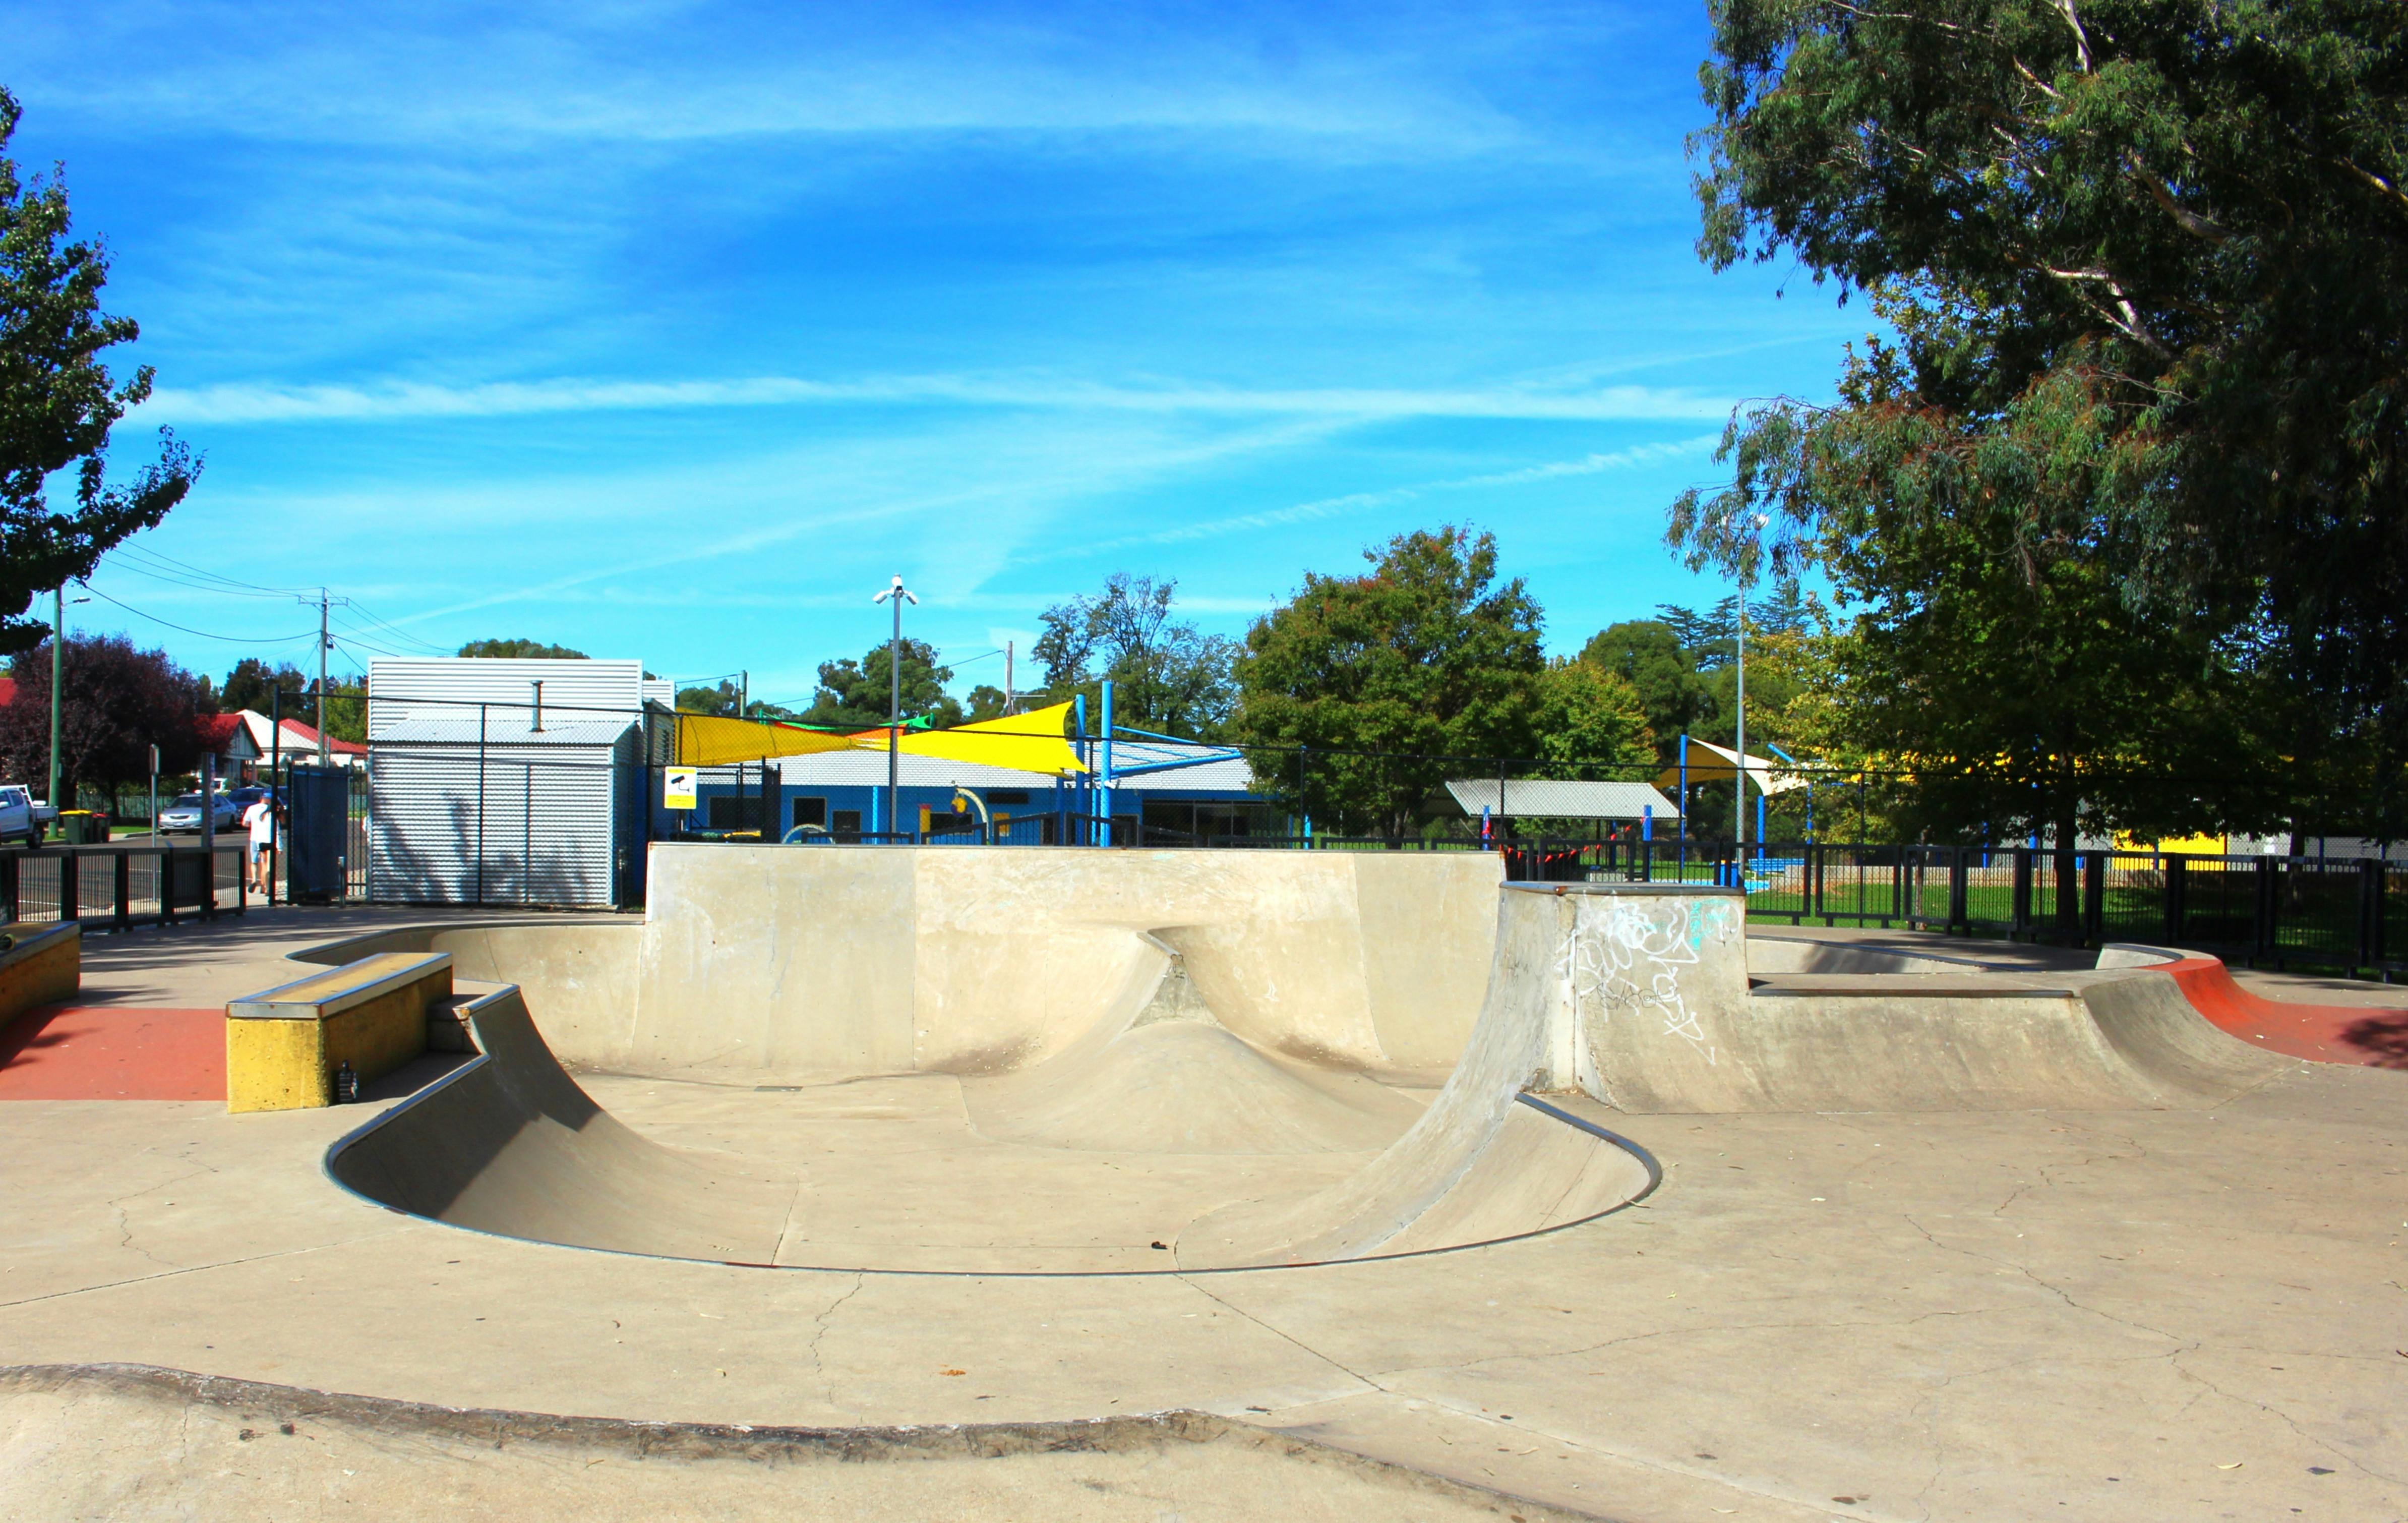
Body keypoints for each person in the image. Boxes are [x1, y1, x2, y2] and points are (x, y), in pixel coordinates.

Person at [242, 791, 282, 895]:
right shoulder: (271, 812)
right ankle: (267, 888)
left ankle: (255, 880)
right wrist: (280, 847)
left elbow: (245, 823)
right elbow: (277, 830)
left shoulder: (251, 808)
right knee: (268, 865)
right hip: (269, 840)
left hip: (255, 838)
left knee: (255, 862)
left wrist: (254, 825)